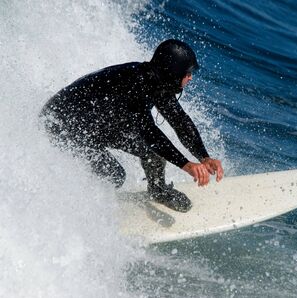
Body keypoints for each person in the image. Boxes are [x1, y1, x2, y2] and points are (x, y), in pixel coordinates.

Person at [40, 39, 224, 212]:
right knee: (114, 176)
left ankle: (158, 190)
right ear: (173, 73)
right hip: (62, 124)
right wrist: (186, 165)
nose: (190, 78)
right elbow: (149, 132)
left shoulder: (158, 82)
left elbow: (180, 121)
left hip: (96, 125)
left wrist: (203, 156)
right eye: (188, 73)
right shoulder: (134, 84)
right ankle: (69, 205)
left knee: (153, 155)